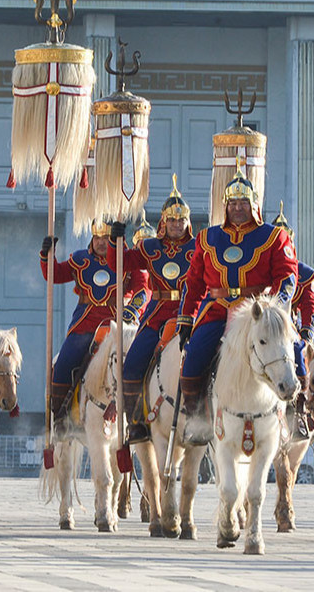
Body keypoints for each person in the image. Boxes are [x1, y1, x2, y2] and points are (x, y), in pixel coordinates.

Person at [175, 169, 297, 444]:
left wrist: (276, 309)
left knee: (293, 358)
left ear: (253, 205)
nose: (238, 208)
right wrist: (186, 320)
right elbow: (193, 283)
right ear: (225, 206)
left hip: (258, 315)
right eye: (232, 203)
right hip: (217, 310)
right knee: (193, 361)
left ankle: (298, 416)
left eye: (243, 203)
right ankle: (196, 418)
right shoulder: (207, 238)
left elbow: (287, 275)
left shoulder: (274, 236)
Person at [107, 176, 196, 443]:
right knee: (132, 366)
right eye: (172, 220)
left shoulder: (199, 247)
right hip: (157, 314)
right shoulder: (149, 247)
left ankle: (202, 418)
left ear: (187, 223)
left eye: (181, 221)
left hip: (189, 313)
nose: (176, 225)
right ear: (163, 222)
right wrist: (116, 239)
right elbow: (118, 264)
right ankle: (136, 421)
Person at [43, 217, 148, 419]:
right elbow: (54, 275)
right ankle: (59, 418)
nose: (101, 242)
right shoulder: (80, 259)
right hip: (85, 325)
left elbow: (142, 291)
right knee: (63, 364)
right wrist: (47, 256)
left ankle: (140, 419)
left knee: (140, 364)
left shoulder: (128, 259)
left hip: (118, 326)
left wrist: (131, 312)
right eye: (97, 237)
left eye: (107, 237)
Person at [271, 202, 314, 439]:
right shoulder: (259, 267)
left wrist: (306, 335)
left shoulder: (303, 273)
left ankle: (298, 412)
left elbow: (310, 308)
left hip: (288, 329)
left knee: (298, 352)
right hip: (260, 327)